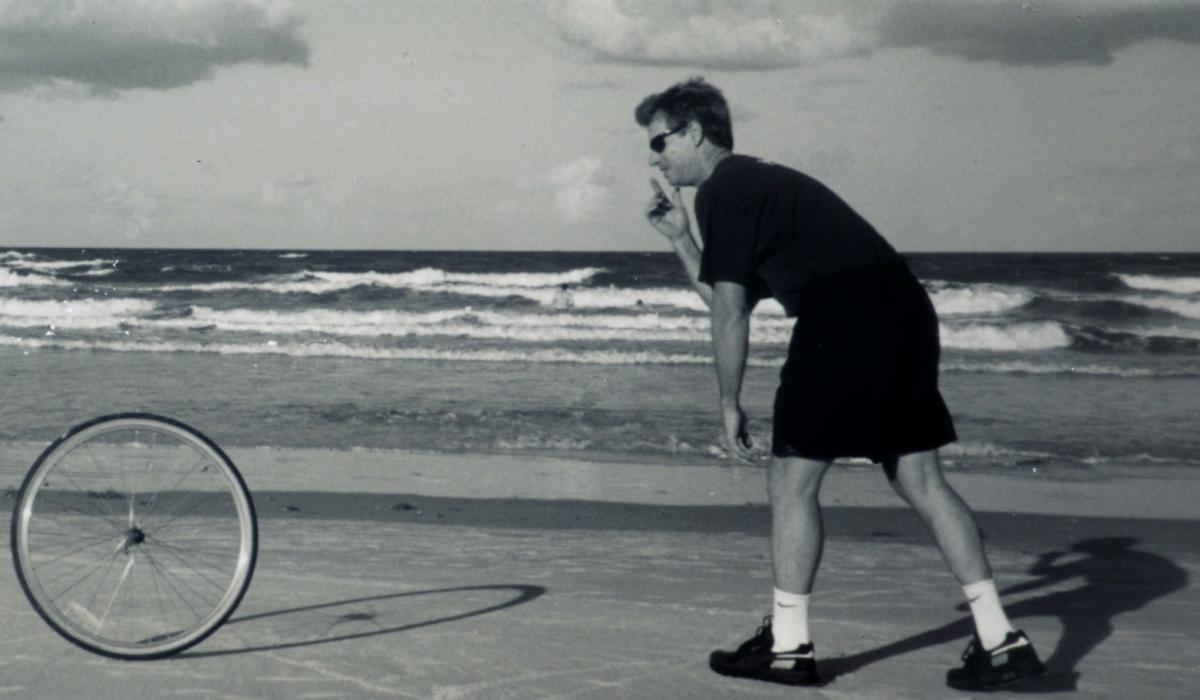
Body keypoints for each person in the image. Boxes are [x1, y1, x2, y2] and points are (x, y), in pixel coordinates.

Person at [636, 77, 1047, 691]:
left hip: (846, 319)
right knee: (920, 477)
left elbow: (728, 312)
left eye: (660, 141)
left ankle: (789, 643)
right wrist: (680, 239)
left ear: (694, 132)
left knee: (791, 477)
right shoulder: (756, 184)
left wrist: (727, 402)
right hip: (904, 308)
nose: (656, 158)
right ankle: (1000, 639)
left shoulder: (726, 190)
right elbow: (733, 292)